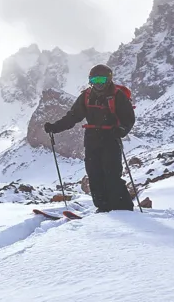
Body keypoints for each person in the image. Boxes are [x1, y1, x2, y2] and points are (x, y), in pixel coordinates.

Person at [44, 64, 136, 213]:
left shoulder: (117, 96)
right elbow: (73, 116)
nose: (97, 83)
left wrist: (121, 130)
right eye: (94, 79)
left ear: (108, 79)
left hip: (111, 139)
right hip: (92, 139)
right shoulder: (87, 96)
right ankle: (103, 207)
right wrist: (55, 127)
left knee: (112, 174)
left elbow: (128, 118)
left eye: (101, 79)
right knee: (94, 174)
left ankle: (123, 209)